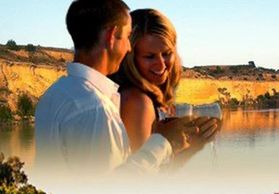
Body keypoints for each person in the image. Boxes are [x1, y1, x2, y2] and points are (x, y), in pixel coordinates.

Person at [34, 0, 217, 175]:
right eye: (128, 37)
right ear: (111, 36)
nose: (129, 48)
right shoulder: (96, 108)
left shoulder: (56, 93)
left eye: (167, 54)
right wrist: (166, 142)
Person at [109, 8, 219, 161]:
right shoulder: (137, 102)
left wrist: (188, 146)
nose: (161, 65)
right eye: (149, 57)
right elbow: (140, 178)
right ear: (130, 59)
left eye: (167, 54)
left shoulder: (143, 98)